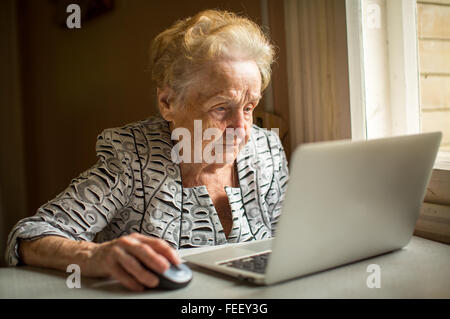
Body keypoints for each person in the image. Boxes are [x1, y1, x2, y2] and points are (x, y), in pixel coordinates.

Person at [5, 9, 288, 291]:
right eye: (221, 108)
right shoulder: (133, 158)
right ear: (168, 102)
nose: (241, 128)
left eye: (249, 107)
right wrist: (92, 255)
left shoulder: (267, 151)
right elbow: (29, 235)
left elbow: (294, 244)